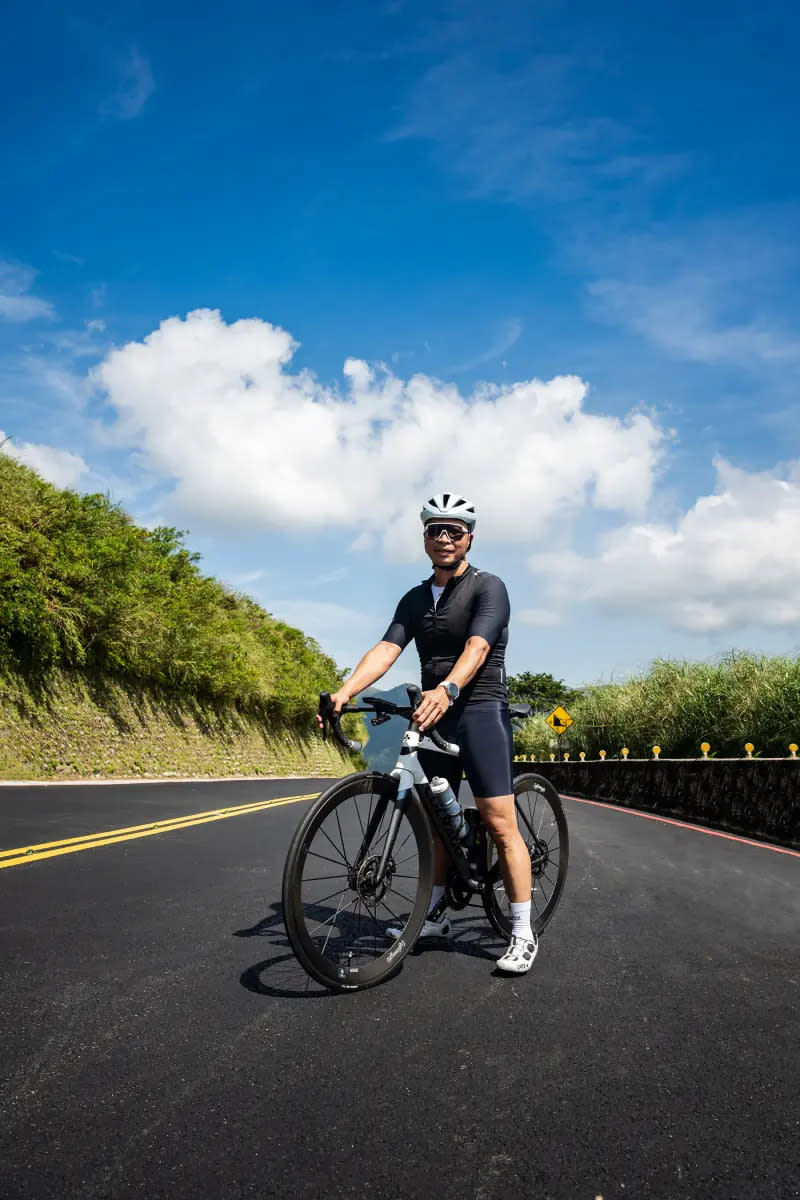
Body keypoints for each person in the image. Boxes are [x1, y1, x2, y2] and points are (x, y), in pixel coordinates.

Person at [321, 492, 537, 975]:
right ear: (424, 539)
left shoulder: (489, 587)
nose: (444, 538)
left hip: (477, 708)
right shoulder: (415, 597)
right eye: (435, 530)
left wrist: (449, 687)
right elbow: (387, 648)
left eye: (454, 531)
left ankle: (522, 930)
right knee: (438, 823)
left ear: (469, 539)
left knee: (500, 824)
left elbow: (479, 645)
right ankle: (436, 915)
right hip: (434, 711)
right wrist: (343, 691)